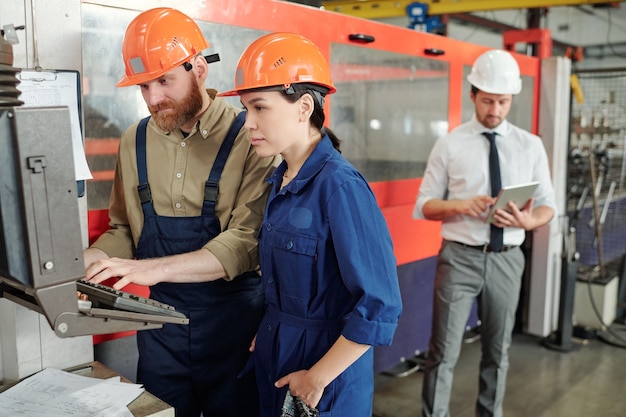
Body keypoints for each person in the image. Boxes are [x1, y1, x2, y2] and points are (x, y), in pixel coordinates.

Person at [82, 8, 279, 417]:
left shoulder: (252, 136)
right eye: (143, 86)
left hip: (235, 330)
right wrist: (95, 259)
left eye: (165, 81)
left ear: (200, 69)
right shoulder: (133, 140)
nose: (154, 98)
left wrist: (151, 269)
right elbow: (123, 228)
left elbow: (245, 242)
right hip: (159, 331)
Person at [218, 32, 403, 417]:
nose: (247, 122)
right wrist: (273, 330)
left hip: (323, 378)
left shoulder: (340, 187)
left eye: (259, 108)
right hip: (277, 355)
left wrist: (317, 378)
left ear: (304, 107)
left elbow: (380, 306)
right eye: (245, 109)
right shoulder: (281, 180)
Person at [413, 49, 557, 417]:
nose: (495, 110)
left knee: (498, 352)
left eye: (503, 102)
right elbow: (426, 205)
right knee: (443, 351)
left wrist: (528, 222)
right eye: (488, 100)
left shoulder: (531, 146)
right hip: (459, 258)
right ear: (473, 94)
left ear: (512, 100)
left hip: (508, 260)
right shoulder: (450, 144)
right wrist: (461, 205)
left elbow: (547, 206)